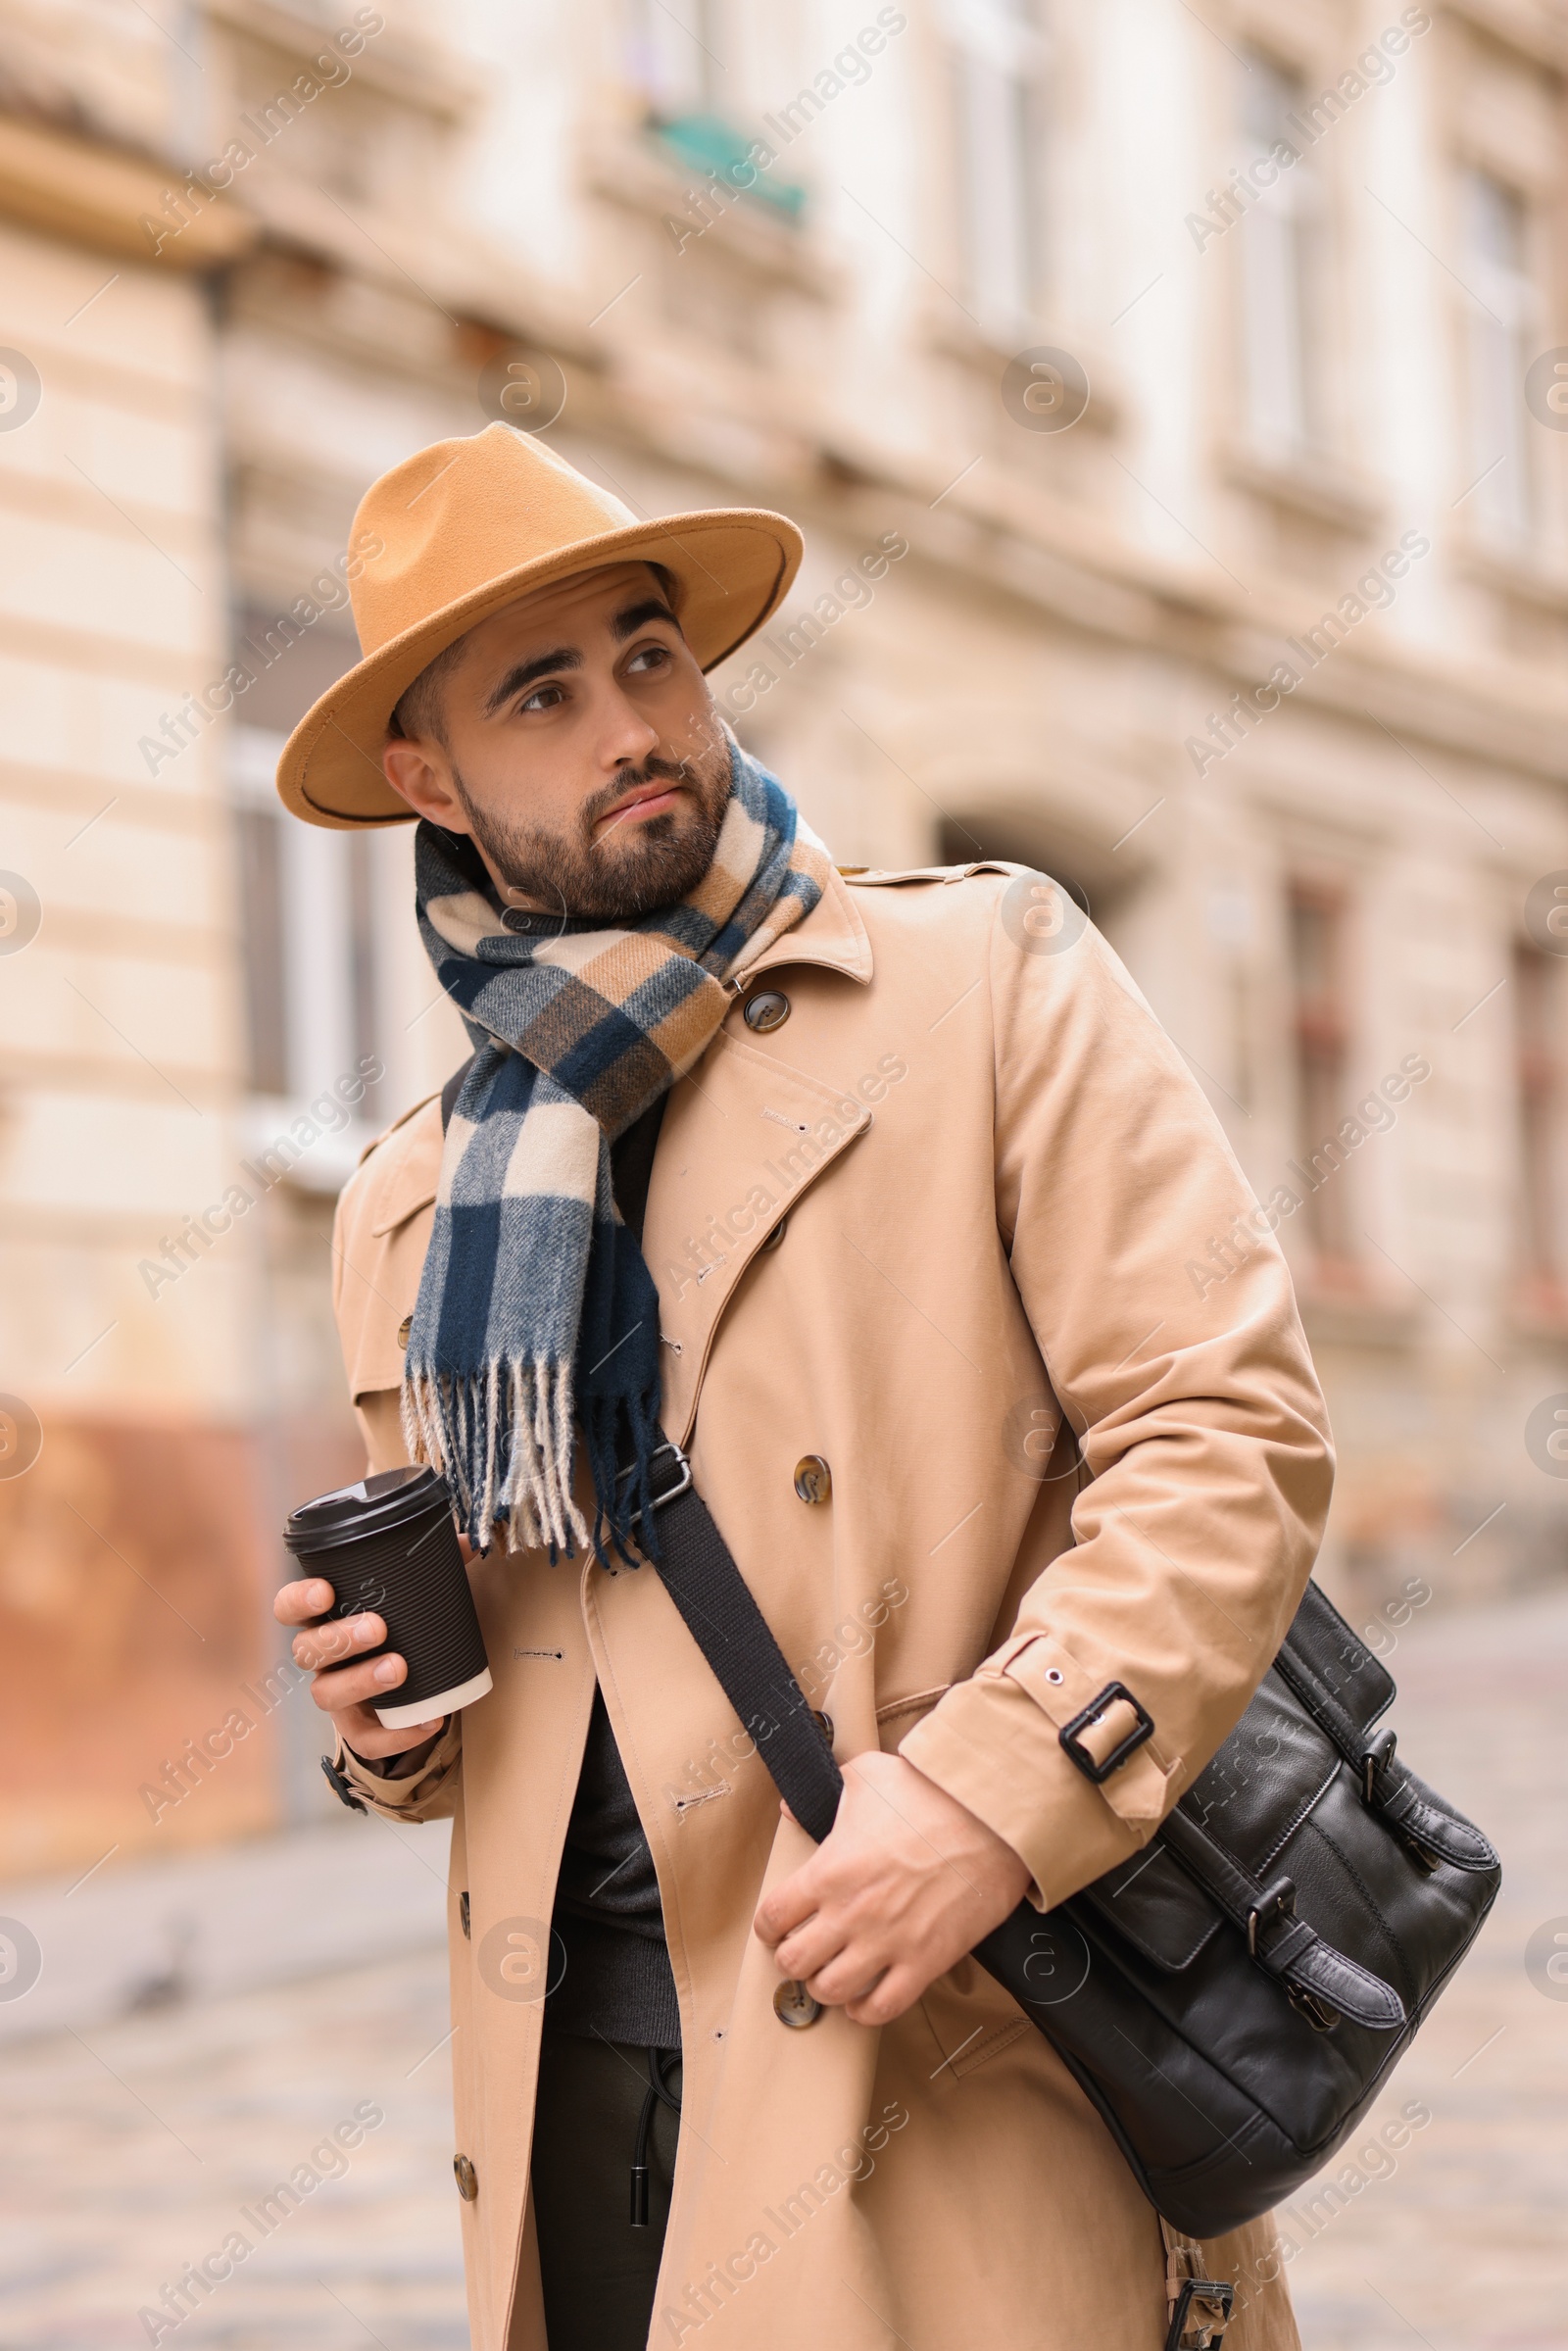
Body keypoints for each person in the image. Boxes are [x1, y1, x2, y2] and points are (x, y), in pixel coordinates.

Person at [273, 422, 1332, 2351]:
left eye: (649, 655)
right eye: (544, 692)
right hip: (571, 2107)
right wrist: (386, 1732)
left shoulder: (982, 976)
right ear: (427, 776)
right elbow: (518, 1677)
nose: (635, 725)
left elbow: (1224, 1432)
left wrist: (990, 1798)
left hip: (946, 2040)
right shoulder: (417, 1191)